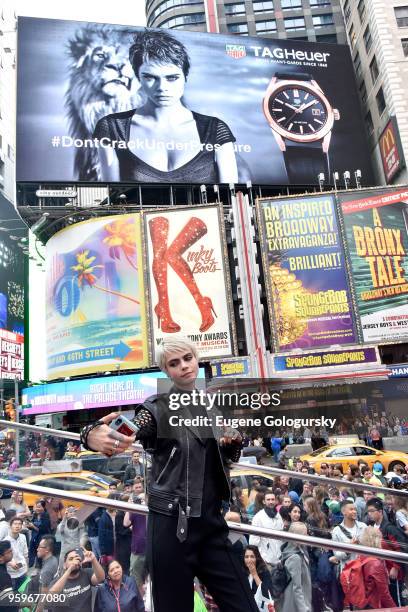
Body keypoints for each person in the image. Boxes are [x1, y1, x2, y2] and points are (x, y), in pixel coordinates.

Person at [80, 337, 259, 612]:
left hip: (212, 526)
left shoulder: (209, 405)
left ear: (197, 360)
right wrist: (91, 434)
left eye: (188, 358)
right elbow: (133, 428)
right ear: (166, 371)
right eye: (174, 363)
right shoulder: (158, 407)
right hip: (172, 528)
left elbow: (219, 458)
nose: (184, 367)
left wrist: (231, 443)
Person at [93, 29, 238, 184]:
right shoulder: (112, 127)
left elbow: (231, 196)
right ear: (138, 78)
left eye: (172, 78)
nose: (162, 87)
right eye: (150, 77)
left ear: (185, 77)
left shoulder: (215, 129)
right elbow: (114, 195)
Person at [365, 496, 407, 606]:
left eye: (372, 511)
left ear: (380, 511)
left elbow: (401, 548)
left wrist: (396, 567)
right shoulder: (372, 527)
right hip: (381, 572)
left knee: (397, 601)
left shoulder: (389, 528)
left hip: (393, 572)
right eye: (368, 511)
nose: (369, 514)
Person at [277, 522, 312, 612]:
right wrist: (304, 609)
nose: (307, 535)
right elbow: (297, 587)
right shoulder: (295, 557)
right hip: (295, 605)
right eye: (305, 534)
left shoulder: (292, 550)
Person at [249, 490, 284, 569]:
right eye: (268, 500)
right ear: (264, 502)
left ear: (275, 501)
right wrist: (261, 560)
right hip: (266, 562)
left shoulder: (278, 515)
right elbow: (253, 542)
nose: (271, 502)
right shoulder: (258, 517)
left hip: (279, 561)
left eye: (272, 499)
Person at [331, 499, 367, 572]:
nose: (354, 512)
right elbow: (337, 555)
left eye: (355, 509)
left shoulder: (363, 526)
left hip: (364, 568)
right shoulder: (337, 531)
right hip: (349, 572)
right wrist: (349, 548)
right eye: (351, 509)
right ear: (343, 512)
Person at [243, 546, 274, 611]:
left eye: (252, 556)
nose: (249, 560)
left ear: (257, 558)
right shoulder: (242, 572)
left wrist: (255, 574)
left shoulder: (264, 572)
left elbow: (267, 592)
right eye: (246, 557)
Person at [5, 517, 28, 590]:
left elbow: (25, 554)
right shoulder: (5, 541)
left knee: (21, 593)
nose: (17, 526)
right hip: (11, 574)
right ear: (10, 526)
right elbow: (2, 558)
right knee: (12, 596)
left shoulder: (23, 537)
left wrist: (26, 569)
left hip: (23, 571)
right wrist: (10, 562)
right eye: (15, 524)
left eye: (19, 524)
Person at [28, 500, 51, 567]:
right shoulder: (35, 514)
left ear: (43, 507)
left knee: (40, 552)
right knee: (32, 551)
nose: (37, 509)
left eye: (39, 507)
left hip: (41, 537)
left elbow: (43, 529)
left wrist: (33, 526)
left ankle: (39, 566)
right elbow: (32, 524)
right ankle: (31, 565)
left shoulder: (46, 515)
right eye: (36, 507)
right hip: (34, 537)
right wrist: (29, 526)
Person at [0, 541, 19, 612]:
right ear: (0, 557)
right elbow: (8, 603)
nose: (12, 553)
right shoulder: (4, 576)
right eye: (9, 552)